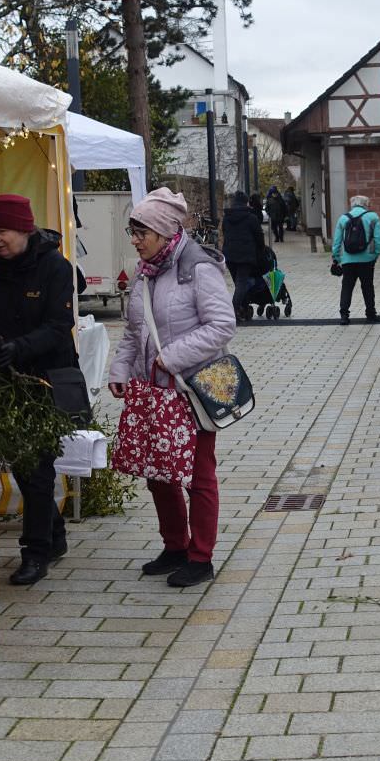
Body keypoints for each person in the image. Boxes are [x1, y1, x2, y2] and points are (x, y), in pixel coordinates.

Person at [108, 187, 237, 587]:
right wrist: (119, 369)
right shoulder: (146, 273)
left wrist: (172, 357)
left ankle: (201, 557)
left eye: (140, 232)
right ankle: (174, 546)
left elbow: (222, 326)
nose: (134, 239)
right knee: (158, 473)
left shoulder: (199, 268)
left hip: (192, 388)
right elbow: (135, 330)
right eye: (132, 231)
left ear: (164, 232)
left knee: (199, 475)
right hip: (153, 392)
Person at [0, 194, 78, 585]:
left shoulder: (55, 267)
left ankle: (35, 551)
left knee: (37, 464)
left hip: (45, 378)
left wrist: (19, 348)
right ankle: (54, 534)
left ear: (24, 229)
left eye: (2, 230)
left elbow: (59, 328)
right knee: (24, 465)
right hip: (3, 381)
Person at [332, 194, 380, 325]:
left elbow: (337, 241)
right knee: (367, 286)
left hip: (348, 260)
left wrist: (337, 258)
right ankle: (371, 314)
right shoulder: (373, 217)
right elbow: (378, 240)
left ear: (352, 204)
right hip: (367, 260)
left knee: (347, 287)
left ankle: (344, 315)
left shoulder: (343, 218)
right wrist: (375, 255)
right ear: (366, 204)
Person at [221, 191, 268, 323]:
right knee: (242, 284)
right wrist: (261, 251)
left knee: (239, 284)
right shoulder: (251, 218)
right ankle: (232, 312)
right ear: (246, 202)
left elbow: (225, 233)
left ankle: (243, 308)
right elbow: (259, 236)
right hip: (245, 256)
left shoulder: (227, 217)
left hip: (229, 255)